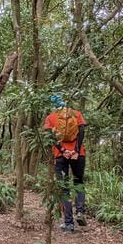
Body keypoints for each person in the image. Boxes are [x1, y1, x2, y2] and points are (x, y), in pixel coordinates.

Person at [44, 95, 86, 233]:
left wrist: (63, 150)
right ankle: (80, 211)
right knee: (78, 182)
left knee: (64, 188)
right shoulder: (77, 114)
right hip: (78, 155)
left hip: (60, 155)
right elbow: (82, 131)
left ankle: (69, 224)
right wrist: (75, 150)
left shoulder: (51, 117)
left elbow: (50, 136)